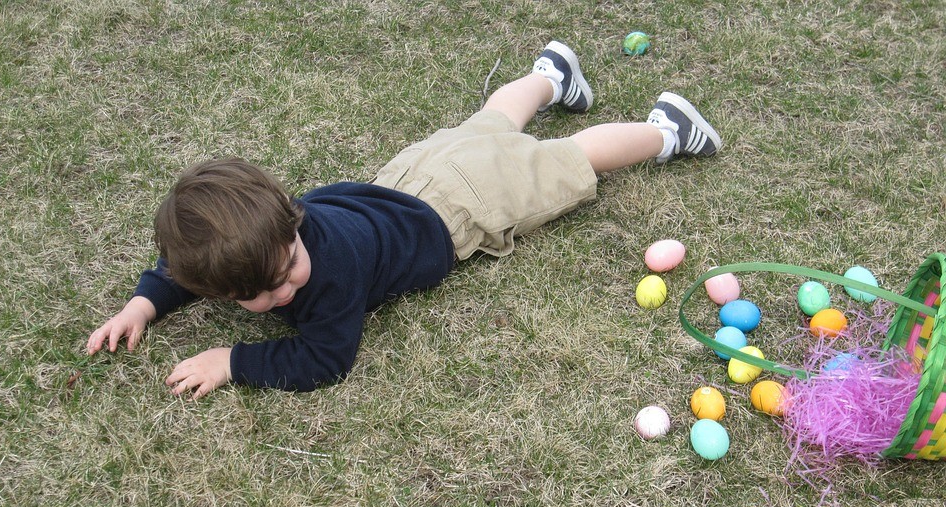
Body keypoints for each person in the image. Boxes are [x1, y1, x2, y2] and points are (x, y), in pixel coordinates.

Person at [86, 41, 722, 397]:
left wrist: (235, 360)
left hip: (457, 209)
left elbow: (324, 361)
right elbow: (183, 268)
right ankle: (551, 76)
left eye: (287, 267)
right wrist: (145, 304)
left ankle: (666, 132)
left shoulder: (327, 274)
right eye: (263, 293)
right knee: (490, 125)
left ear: (290, 221)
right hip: (408, 177)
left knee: (568, 160)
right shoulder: (267, 234)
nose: (288, 290)